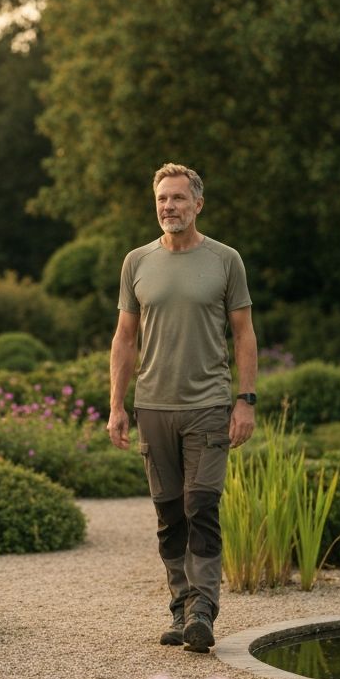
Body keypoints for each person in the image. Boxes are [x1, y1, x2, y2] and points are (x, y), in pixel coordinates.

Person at [108, 162, 257, 652]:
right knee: (170, 514)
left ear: (198, 203)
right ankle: (180, 608)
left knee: (202, 506)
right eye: (161, 199)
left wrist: (245, 401)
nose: (168, 207)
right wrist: (117, 405)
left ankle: (203, 611)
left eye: (177, 198)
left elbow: (243, 334)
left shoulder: (225, 260)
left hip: (209, 405)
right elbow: (125, 339)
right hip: (153, 406)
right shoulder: (136, 262)